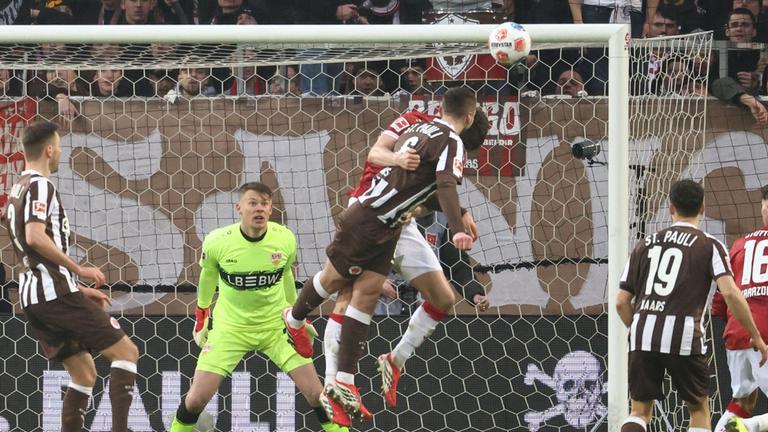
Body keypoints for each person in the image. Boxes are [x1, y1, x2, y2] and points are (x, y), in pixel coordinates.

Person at [283, 86, 482, 422]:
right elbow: (376, 153)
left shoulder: (436, 136)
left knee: (442, 298)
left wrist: (460, 211)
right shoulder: (416, 123)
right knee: (348, 292)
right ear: (469, 114)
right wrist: (398, 159)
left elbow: (431, 189)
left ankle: (388, 362)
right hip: (370, 210)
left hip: (398, 221)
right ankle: (332, 378)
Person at [169, 182, 350, 431]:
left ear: (271, 208)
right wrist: (202, 314)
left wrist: (295, 318)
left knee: (315, 394)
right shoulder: (217, 242)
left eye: (264, 204)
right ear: (239, 208)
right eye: (253, 203)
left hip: (275, 326)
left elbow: (286, 276)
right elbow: (208, 276)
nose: (259, 209)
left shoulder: (284, 238)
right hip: (230, 328)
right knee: (196, 399)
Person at [3, 121, 139, 432]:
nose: (60, 152)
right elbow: (35, 237)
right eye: (59, 146)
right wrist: (78, 270)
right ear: (49, 149)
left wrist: (75, 286)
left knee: (84, 374)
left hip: (36, 295)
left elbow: (27, 248)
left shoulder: (17, 189)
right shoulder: (40, 186)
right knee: (127, 352)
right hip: (54, 293)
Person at [616, 179, 768, 432]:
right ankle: (748, 426)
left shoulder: (644, 244)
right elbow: (729, 292)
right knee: (698, 410)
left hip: (644, 333)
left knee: (638, 412)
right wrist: (756, 336)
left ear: (670, 207)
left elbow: (621, 302)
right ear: (703, 208)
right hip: (687, 334)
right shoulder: (709, 244)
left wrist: (640, 328)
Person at [712, 185, 768, 432]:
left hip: (736, 333)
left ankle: (735, 426)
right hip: (764, 334)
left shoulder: (739, 245)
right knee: (745, 416)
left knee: (744, 400)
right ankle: (749, 426)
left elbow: (720, 302)